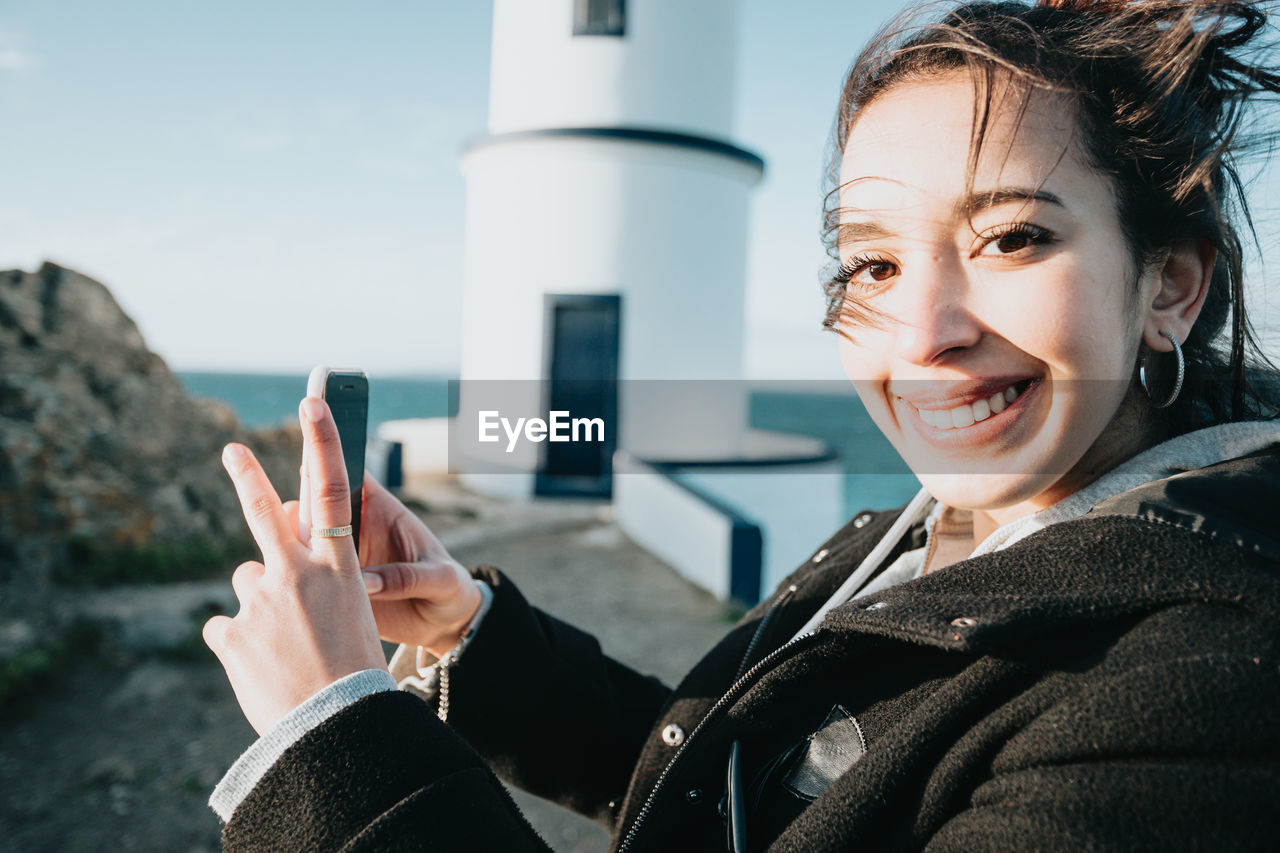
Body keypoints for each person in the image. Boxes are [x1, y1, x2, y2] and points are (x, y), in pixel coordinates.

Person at [201, 0, 1280, 850]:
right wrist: (469, 635)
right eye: (871, 263)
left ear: (1169, 285)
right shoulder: (914, 536)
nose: (926, 332)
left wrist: (334, 738)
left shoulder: (1198, 689)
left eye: (1009, 237)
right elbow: (759, 781)